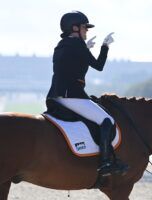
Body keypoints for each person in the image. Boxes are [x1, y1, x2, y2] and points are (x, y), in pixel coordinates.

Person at [46, 11, 128, 177]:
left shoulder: (63, 44)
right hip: (72, 95)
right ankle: (105, 162)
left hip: (57, 95)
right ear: (75, 28)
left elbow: (71, 63)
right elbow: (98, 65)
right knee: (107, 121)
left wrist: (87, 48)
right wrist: (105, 46)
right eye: (85, 28)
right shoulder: (77, 44)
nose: (87, 31)